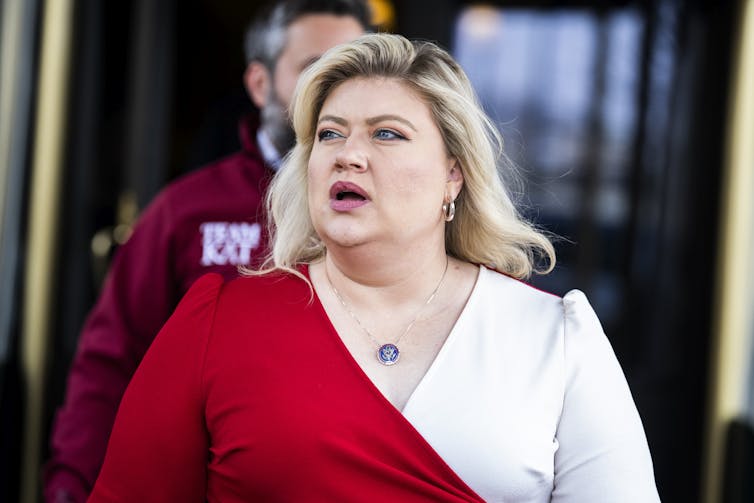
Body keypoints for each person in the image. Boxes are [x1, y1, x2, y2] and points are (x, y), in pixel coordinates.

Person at [87, 33, 660, 501]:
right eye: (329, 133)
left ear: (452, 174)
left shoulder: (554, 339)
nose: (347, 153)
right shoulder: (217, 324)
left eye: (387, 133)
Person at [43, 2, 370, 502]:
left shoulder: (391, 208)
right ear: (260, 84)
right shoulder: (185, 211)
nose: (338, 90)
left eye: (352, 68)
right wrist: (73, 485)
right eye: (316, 69)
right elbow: (113, 363)